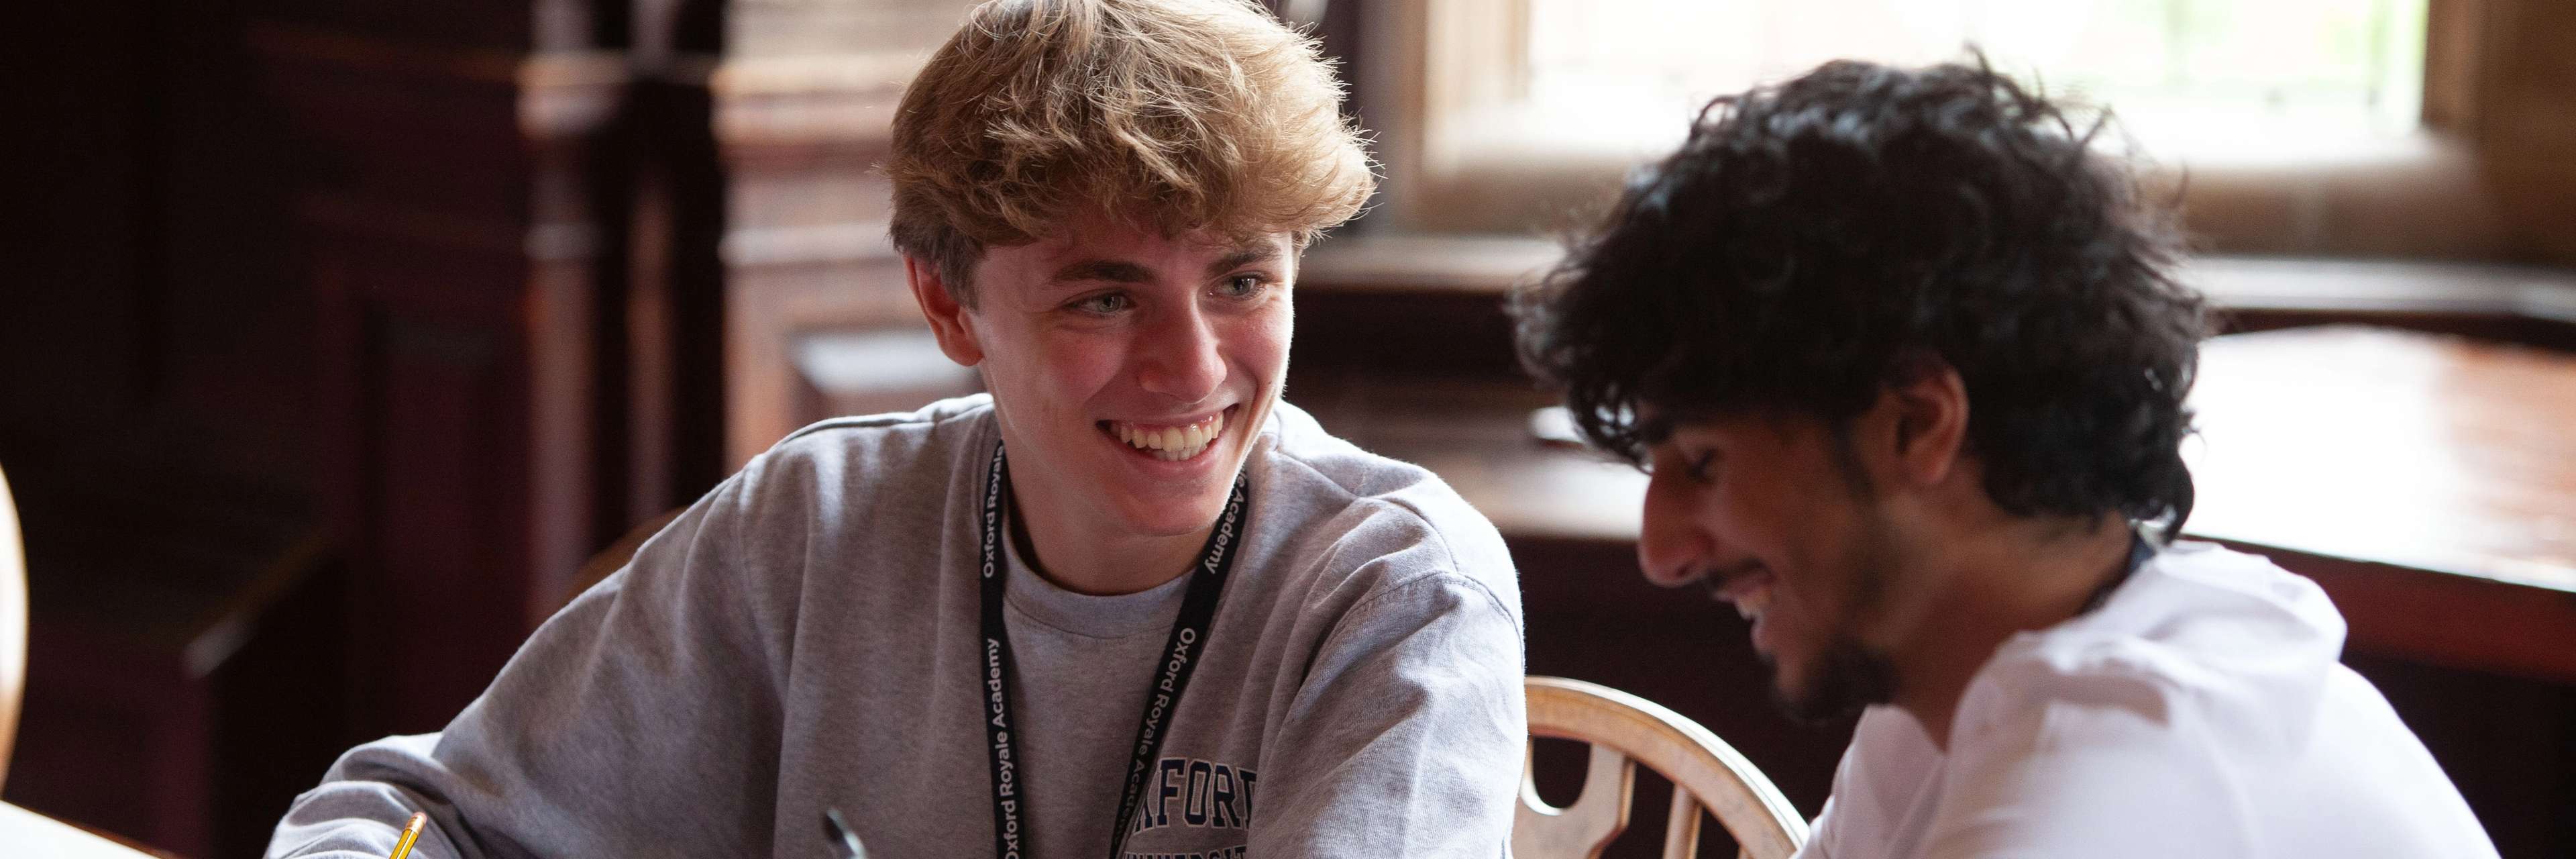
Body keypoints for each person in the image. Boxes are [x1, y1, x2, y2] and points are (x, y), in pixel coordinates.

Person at [268, 1, 1528, 856]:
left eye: (1244, 281)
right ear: (949, 305)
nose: (1193, 368)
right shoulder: (815, 524)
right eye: (1105, 297)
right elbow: (424, 816)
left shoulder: (1399, 592)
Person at [1512, 57, 2500, 858]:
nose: (1662, 552)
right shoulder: (1951, 693)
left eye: (1704, 462)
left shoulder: (2110, 778)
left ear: (1917, 424)